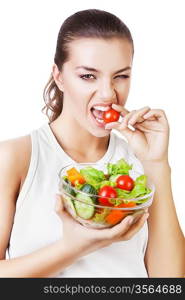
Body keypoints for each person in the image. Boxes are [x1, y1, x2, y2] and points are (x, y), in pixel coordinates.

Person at [0, 9, 184, 278]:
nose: (109, 93)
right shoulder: (15, 157)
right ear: (59, 76)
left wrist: (156, 164)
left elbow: (170, 284)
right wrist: (73, 247)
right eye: (88, 76)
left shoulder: (138, 162)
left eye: (121, 76)